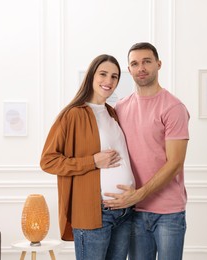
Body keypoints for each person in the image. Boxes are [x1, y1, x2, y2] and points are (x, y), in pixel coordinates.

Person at [40, 54, 135, 260]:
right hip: (94, 213)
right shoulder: (72, 114)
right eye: (103, 74)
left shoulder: (112, 113)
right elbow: (48, 161)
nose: (108, 81)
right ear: (91, 76)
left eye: (114, 76)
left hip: (124, 212)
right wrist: (93, 161)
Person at [103, 42, 190, 260]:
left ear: (158, 64)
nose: (141, 67)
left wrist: (137, 195)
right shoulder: (120, 107)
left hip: (168, 212)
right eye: (135, 63)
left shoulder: (173, 107)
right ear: (129, 69)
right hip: (133, 212)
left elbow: (175, 163)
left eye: (147, 61)